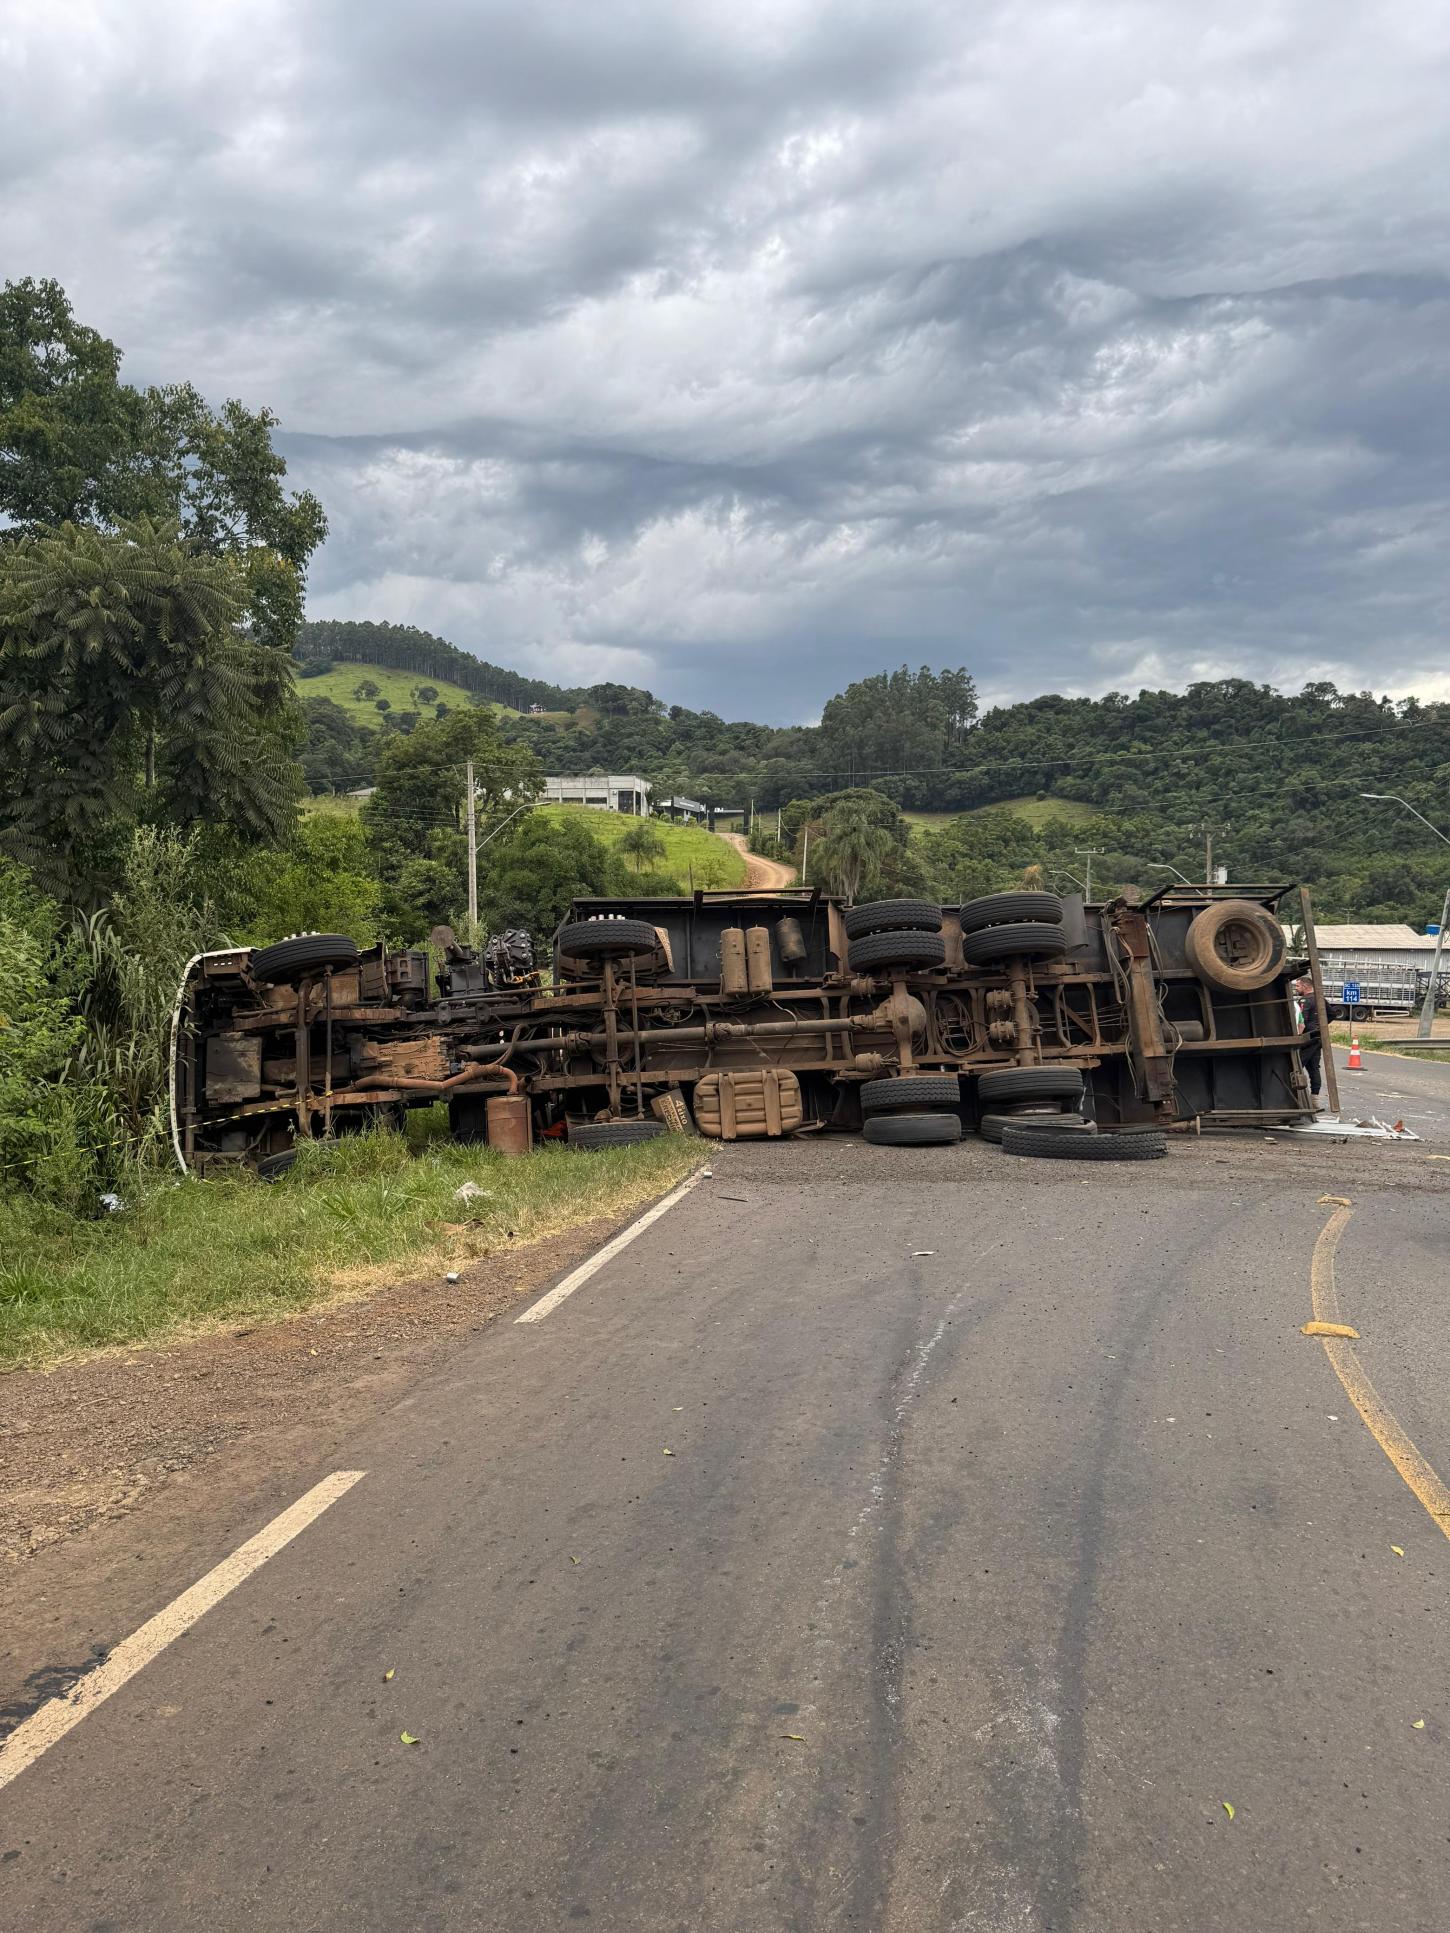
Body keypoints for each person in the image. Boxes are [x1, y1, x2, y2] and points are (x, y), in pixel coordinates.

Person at [1295, 976, 1323, 1109]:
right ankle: (1314, 1098)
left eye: (1298, 986)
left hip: (1307, 1038)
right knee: (1314, 1068)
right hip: (1318, 1038)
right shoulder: (1320, 999)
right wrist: (1319, 1025)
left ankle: (1296, 1096)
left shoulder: (1305, 1000)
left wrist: (1299, 1035)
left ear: (1305, 987)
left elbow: (1302, 1021)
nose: (1296, 989)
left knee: (1296, 1065)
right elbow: (1332, 1014)